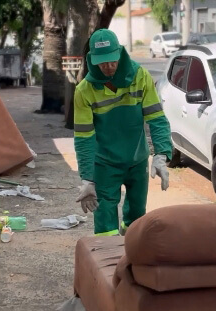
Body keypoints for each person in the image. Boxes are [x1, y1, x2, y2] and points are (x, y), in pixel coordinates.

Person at [74, 29, 172, 236]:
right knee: (104, 218)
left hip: (137, 159)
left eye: (112, 61)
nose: (108, 67)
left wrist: (161, 154)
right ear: (92, 60)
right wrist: (87, 178)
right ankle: (107, 262)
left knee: (137, 215)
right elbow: (84, 138)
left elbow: (156, 118)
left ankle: (130, 249)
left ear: (120, 54)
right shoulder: (84, 90)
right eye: (102, 62)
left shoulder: (140, 77)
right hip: (105, 164)